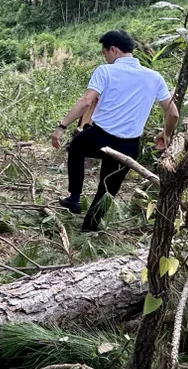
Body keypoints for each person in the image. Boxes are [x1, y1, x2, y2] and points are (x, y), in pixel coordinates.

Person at [50, 29, 179, 231]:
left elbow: (86, 101)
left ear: (113, 49)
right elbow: (173, 113)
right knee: (108, 189)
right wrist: (166, 134)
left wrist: (61, 126)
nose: (106, 58)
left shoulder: (105, 71)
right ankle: (90, 229)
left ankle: (74, 197)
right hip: (130, 146)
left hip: (99, 137)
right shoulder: (154, 77)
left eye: (106, 53)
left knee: (76, 147)